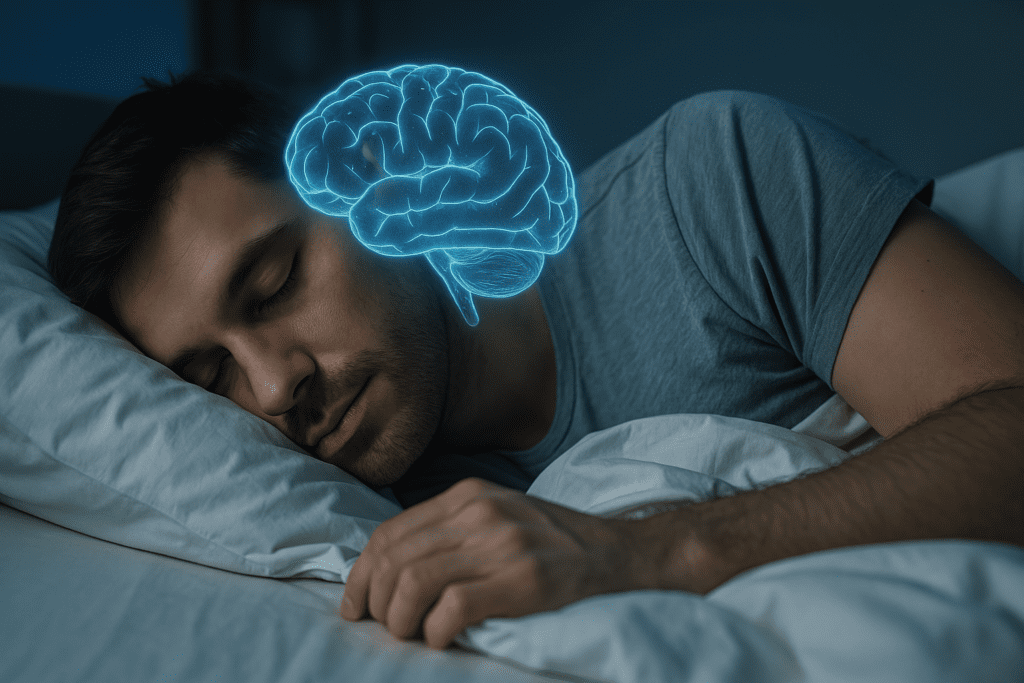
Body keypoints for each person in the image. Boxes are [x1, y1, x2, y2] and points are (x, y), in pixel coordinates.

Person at [49, 71, 1024, 650]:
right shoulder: (336, 518)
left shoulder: (709, 183)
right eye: (211, 376)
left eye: (271, 285)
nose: (273, 386)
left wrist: (649, 548)